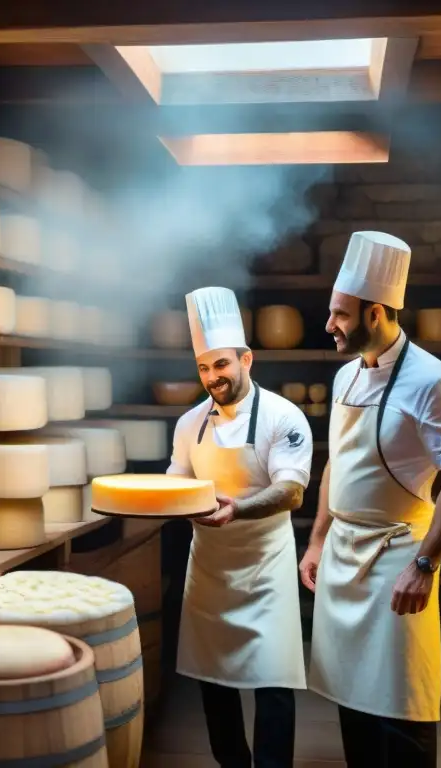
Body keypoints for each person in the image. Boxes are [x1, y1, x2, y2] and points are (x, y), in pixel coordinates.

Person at [299, 231, 441, 768]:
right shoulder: (343, 377)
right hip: (342, 555)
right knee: (352, 696)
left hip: (398, 556)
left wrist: (425, 564)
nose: (329, 325)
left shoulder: (434, 383)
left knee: (402, 704)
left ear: (375, 313)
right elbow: (338, 462)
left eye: (340, 315)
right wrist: (316, 541)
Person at [167, 285, 313, 768]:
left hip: (265, 566)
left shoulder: (282, 417)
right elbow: (176, 482)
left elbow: (292, 490)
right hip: (208, 567)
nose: (213, 377)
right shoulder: (191, 423)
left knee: (274, 683)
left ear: (247, 359)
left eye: (222, 365)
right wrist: (165, 504)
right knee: (213, 679)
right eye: (204, 368)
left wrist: (240, 509)